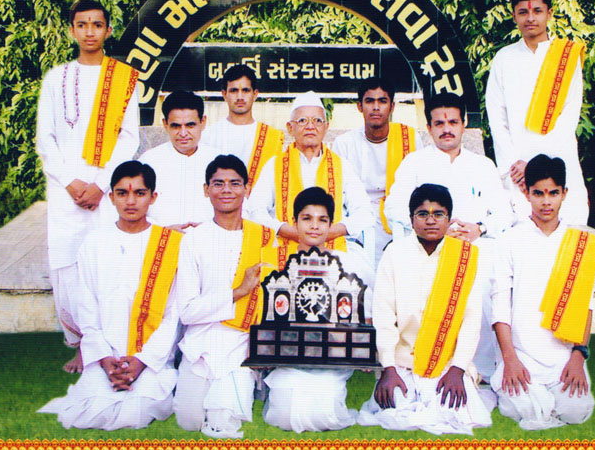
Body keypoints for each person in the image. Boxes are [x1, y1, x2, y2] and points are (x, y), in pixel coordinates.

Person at [36, 0, 140, 373]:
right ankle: (80, 344)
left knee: (106, 264)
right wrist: (70, 182)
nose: (90, 32)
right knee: (66, 267)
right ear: (72, 31)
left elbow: (129, 138)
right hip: (65, 190)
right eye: (82, 25)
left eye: (97, 25)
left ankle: (108, 344)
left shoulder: (124, 79)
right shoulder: (56, 78)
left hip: (107, 191)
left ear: (108, 30)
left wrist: (99, 184)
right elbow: (46, 139)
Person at [38, 161, 181, 430]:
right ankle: (106, 381)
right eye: (122, 193)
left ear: (153, 197)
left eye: (139, 193)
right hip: (105, 356)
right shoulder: (94, 242)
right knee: (89, 413)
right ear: (112, 197)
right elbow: (86, 307)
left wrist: (142, 361)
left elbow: (173, 313)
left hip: (151, 360)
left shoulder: (170, 245)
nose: (131, 201)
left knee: (136, 413)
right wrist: (104, 359)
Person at [383, 93, 514, 382]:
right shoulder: (414, 163)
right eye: (439, 123)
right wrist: (433, 230)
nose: (446, 129)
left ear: (464, 123)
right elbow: (393, 207)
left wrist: (480, 228)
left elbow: (505, 213)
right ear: (429, 127)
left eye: (453, 122)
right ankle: (426, 359)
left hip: (475, 245)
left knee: (487, 281)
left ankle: (480, 369)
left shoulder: (483, 166)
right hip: (428, 247)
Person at [358, 184, 491, 435]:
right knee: (397, 406)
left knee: (454, 410)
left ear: (449, 219)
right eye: (422, 214)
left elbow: (471, 321)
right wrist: (388, 368)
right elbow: (384, 317)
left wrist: (458, 369)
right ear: (411, 219)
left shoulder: (463, 258)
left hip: (447, 364)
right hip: (402, 362)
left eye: (438, 214)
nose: (430, 221)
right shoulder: (395, 253)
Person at [491, 154, 595, 430]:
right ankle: (533, 398)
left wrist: (578, 356)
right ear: (526, 193)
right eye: (538, 193)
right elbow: (500, 307)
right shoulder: (509, 240)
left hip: (563, 357)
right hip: (521, 354)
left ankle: (548, 402)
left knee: (576, 410)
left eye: (553, 193)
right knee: (521, 407)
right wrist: (510, 360)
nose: (546, 201)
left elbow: (585, 307)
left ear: (564, 193)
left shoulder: (578, 243)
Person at [173, 154, 276, 438]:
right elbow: (187, 312)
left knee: (223, 422)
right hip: (200, 342)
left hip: (242, 344)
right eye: (218, 183)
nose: (227, 190)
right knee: (189, 420)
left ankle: (249, 386)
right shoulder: (193, 239)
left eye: (234, 183)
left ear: (247, 188)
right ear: (206, 189)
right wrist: (239, 291)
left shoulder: (266, 238)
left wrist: (263, 347)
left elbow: (273, 303)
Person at [263, 187, 373, 433]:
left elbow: (365, 313)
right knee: (285, 416)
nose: (314, 226)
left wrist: (363, 349)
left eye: (322, 220)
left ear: (330, 225)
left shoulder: (348, 262)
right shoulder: (277, 262)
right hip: (289, 356)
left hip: (332, 357)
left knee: (325, 418)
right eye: (307, 218)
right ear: (294, 222)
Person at [485, 0, 589, 225]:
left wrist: (535, 165)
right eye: (523, 12)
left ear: (549, 13)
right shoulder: (504, 59)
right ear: (514, 16)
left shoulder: (566, 59)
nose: (530, 18)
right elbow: (497, 118)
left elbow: (569, 116)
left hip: (559, 159)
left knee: (569, 228)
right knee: (522, 232)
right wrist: (515, 166)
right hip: (518, 170)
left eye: (537, 11)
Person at [247, 91, 374, 271]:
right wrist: (288, 230)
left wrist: (327, 233)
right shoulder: (275, 165)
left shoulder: (341, 165)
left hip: (332, 247)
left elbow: (365, 212)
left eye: (317, 121)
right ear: (290, 127)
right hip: (286, 246)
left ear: (326, 127)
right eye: (302, 121)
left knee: (360, 276)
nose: (310, 126)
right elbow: (255, 211)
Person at [332, 77, 423, 266]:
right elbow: (339, 192)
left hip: (400, 217)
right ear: (359, 106)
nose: (376, 107)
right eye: (369, 101)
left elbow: (419, 185)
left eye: (382, 101)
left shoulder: (409, 138)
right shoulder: (345, 143)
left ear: (392, 107)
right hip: (358, 217)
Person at [138, 90, 219, 231]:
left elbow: (238, 208)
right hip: (160, 239)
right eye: (176, 126)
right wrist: (163, 231)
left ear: (203, 122)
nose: (183, 133)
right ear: (165, 124)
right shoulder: (148, 161)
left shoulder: (219, 161)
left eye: (190, 125)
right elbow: (134, 209)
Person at [201, 64, 284, 192]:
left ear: (255, 94)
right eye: (234, 91)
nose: (240, 97)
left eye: (245, 90)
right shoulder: (208, 135)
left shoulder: (272, 137)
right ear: (224, 94)